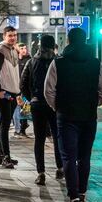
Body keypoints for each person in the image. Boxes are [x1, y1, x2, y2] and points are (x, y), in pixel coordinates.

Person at [44, 27, 102, 202]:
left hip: (66, 116)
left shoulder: (58, 63)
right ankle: (82, 192)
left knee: (68, 156)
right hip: (88, 116)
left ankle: (73, 198)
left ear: (68, 41)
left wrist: (58, 107)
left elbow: (48, 90)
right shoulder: (96, 63)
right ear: (85, 40)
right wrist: (92, 103)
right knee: (84, 156)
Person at [21, 34, 63, 185]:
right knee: (57, 137)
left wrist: (31, 97)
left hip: (37, 104)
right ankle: (60, 168)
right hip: (55, 105)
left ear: (40, 45)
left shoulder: (32, 62)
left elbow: (23, 83)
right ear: (53, 46)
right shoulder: (58, 62)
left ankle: (41, 172)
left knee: (39, 139)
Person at [0, 26, 21, 168]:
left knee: (6, 123)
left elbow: (15, 73)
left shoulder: (14, 50)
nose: (13, 38)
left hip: (13, 91)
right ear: (4, 36)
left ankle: (1, 156)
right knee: (5, 124)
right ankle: (5, 157)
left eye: (14, 35)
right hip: (4, 92)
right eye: (10, 35)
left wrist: (19, 92)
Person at [14, 43, 31, 138]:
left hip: (26, 89)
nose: (24, 50)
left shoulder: (29, 59)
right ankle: (20, 128)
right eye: (21, 48)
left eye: (25, 48)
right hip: (17, 89)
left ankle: (22, 128)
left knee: (25, 109)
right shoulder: (15, 60)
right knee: (19, 109)